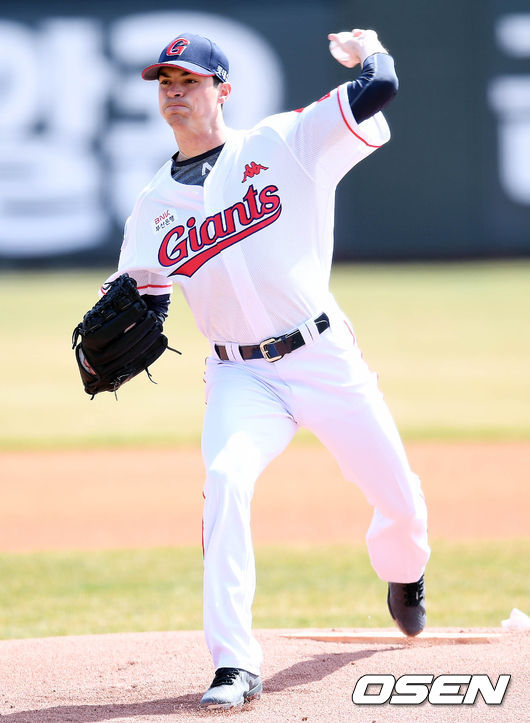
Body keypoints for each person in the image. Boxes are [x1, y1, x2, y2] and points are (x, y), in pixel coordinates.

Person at [100, 28, 430, 709]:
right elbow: (138, 298)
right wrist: (118, 322)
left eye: (190, 81)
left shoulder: (283, 143)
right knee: (225, 480)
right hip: (240, 377)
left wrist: (369, 48)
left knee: (400, 502)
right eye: (166, 83)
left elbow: (381, 87)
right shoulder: (153, 206)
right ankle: (234, 662)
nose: (175, 93)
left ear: (223, 89)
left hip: (323, 358)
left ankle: (405, 571)